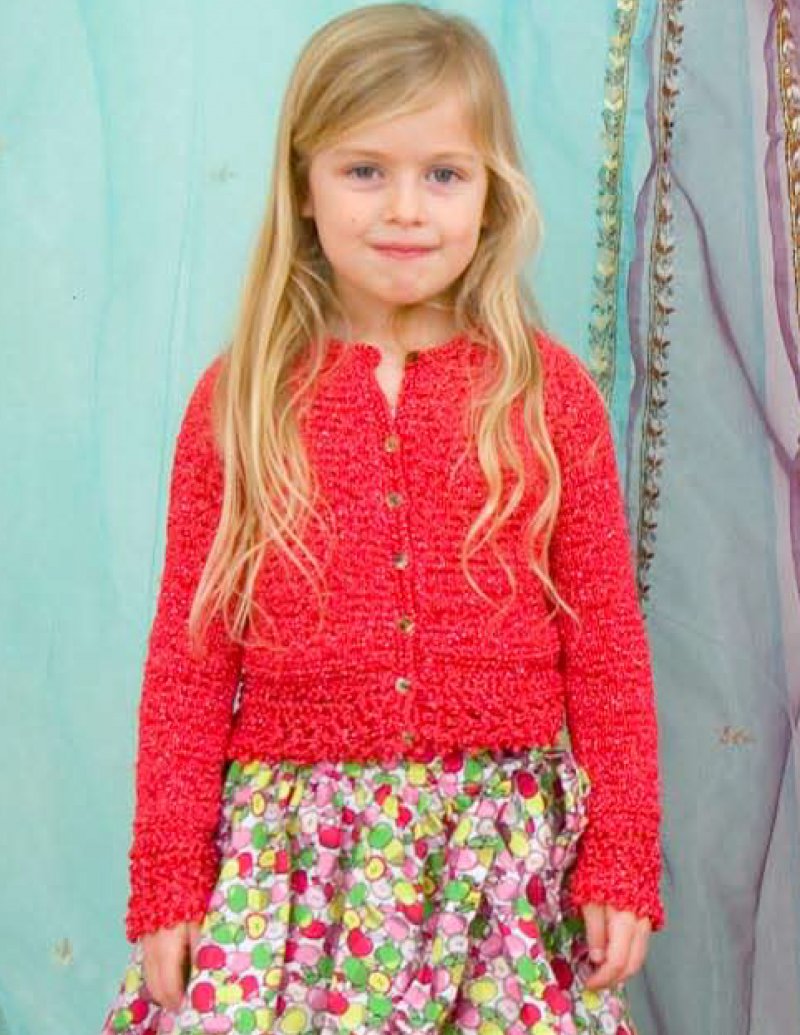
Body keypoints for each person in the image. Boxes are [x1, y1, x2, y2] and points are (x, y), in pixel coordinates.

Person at [99, 4, 666, 1033]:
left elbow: (607, 653)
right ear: (303, 186)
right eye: (365, 170)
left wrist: (620, 854)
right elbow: (190, 661)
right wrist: (168, 879)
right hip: (293, 871)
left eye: (443, 174)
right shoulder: (241, 402)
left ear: (490, 194)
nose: (406, 209)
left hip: (497, 874)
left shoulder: (547, 399)